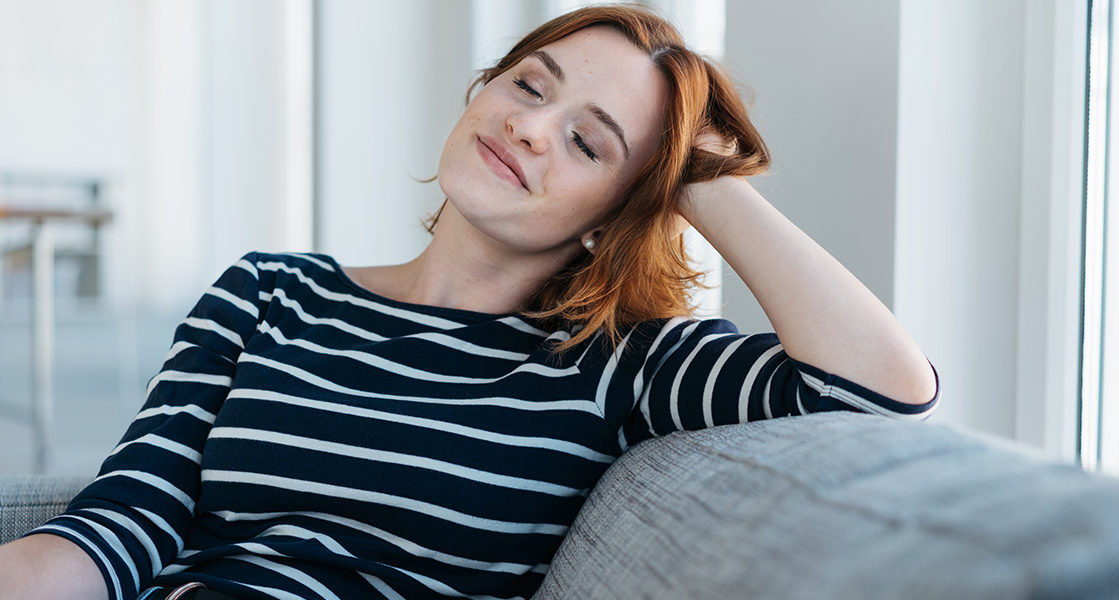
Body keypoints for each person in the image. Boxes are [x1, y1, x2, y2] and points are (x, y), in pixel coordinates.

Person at [0, 5, 938, 599]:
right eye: (529, 85)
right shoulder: (266, 289)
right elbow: (125, 520)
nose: (530, 127)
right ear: (481, 90)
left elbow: (884, 387)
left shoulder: (620, 361)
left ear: (616, 210)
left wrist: (694, 175)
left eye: (589, 144)